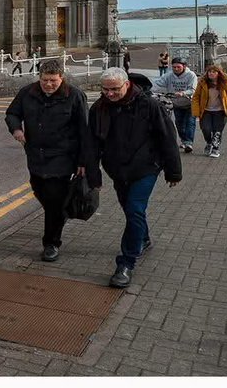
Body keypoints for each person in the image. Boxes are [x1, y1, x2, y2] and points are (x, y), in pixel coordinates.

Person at [87, 66, 182, 288]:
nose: (110, 93)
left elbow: (167, 138)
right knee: (131, 211)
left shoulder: (149, 105)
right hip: (117, 170)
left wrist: (173, 171)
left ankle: (126, 263)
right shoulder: (99, 108)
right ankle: (143, 238)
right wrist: (93, 175)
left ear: (127, 84)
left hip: (146, 168)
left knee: (134, 209)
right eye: (105, 89)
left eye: (115, 89)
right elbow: (92, 144)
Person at [5, 59, 91, 263]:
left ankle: (51, 243)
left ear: (62, 78)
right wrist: (16, 129)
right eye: (45, 80)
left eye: (53, 80)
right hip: (35, 155)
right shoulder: (27, 93)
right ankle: (61, 213)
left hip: (63, 157)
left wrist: (83, 161)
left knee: (54, 200)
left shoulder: (75, 96)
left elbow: (85, 130)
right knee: (40, 191)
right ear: (39, 77)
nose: (48, 84)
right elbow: (12, 113)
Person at [191, 64, 227, 158]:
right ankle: (209, 143)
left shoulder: (225, 83)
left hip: (220, 111)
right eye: (209, 72)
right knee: (206, 129)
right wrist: (196, 111)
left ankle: (215, 148)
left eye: (214, 72)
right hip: (206, 111)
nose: (211, 73)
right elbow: (196, 97)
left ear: (219, 73)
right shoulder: (202, 83)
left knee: (217, 131)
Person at [154, 55, 197, 151]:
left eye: (178, 67)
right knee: (179, 124)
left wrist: (183, 93)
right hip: (176, 103)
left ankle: (189, 143)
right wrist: (148, 89)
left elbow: (193, 89)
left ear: (184, 66)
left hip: (190, 103)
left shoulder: (191, 75)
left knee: (190, 123)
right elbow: (157, 83)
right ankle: (184, 140)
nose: (176, 69)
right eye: (174, 67)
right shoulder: (168, 75)